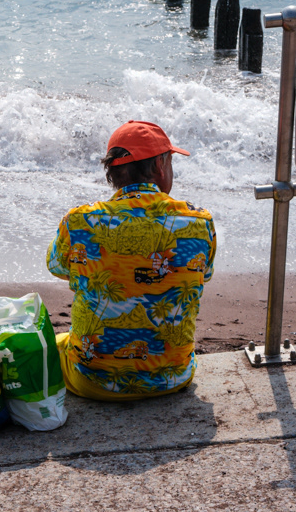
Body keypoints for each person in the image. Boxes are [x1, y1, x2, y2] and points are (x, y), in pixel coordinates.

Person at [46, 120, 216, 401]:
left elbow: (58, 267)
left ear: (112, 172)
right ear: (161, 166)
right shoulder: (199, 222)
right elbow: (202, 273)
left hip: (93, 384)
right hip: (174, 378)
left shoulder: (78, 222)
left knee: (55, 344)